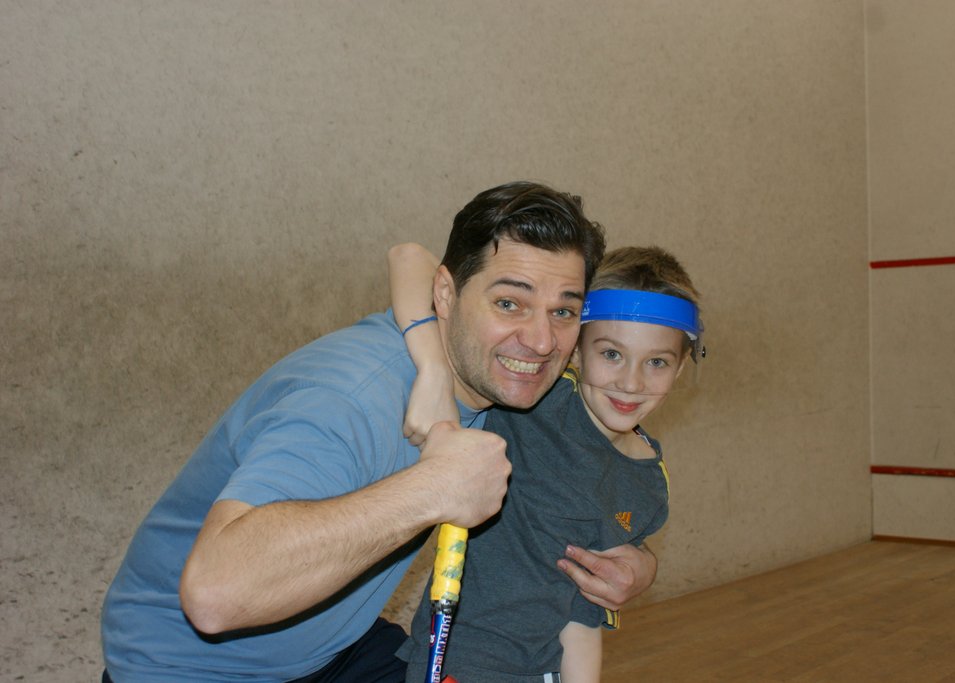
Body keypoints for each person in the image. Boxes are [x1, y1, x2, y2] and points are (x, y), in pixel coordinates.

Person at [100, 181, 659, 683]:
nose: (540, 341)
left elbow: (599, 476)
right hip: (186, 669)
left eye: (563, 312)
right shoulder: (351, 400)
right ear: (446, 296)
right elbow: (215, 596)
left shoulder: (504, 381)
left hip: (334, 650)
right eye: (509, 303)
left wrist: (637, 564)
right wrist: (434, 488)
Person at [389, 243, 704, 682]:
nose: (631, 382)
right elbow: (408, 259)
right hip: (453, 660)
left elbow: (582, 615)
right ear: (575, 348)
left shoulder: (647, 487)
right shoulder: (531, 398)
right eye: (611, 354)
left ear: (682, 365)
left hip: (543, 671)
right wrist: (433, 372)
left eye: (656, 362)